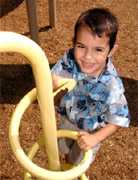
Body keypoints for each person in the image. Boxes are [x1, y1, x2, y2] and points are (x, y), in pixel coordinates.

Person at [51, 8, 130, 165]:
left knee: (77, 162)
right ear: (74, 43)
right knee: (63, 150)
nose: (88, 56)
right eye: (81, 46)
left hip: (89, 131)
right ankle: (66, 160)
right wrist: (53, 81)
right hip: (68, 117)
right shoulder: (70, 58)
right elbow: (54, 76)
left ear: (111, 50)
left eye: (98, 49)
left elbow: (119, 118)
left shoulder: (111, 84)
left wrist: (95, 138)